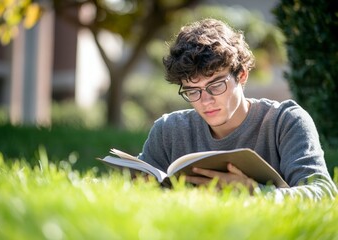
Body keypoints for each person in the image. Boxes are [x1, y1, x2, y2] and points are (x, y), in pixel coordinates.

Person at [137, 18, 337, 199]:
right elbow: (132, 191)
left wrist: (256, 193)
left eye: (215, 86)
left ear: (241, 75)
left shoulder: (286, 121)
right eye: (192, 91)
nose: (205, 101)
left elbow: (323, 193)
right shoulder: (168, 130)